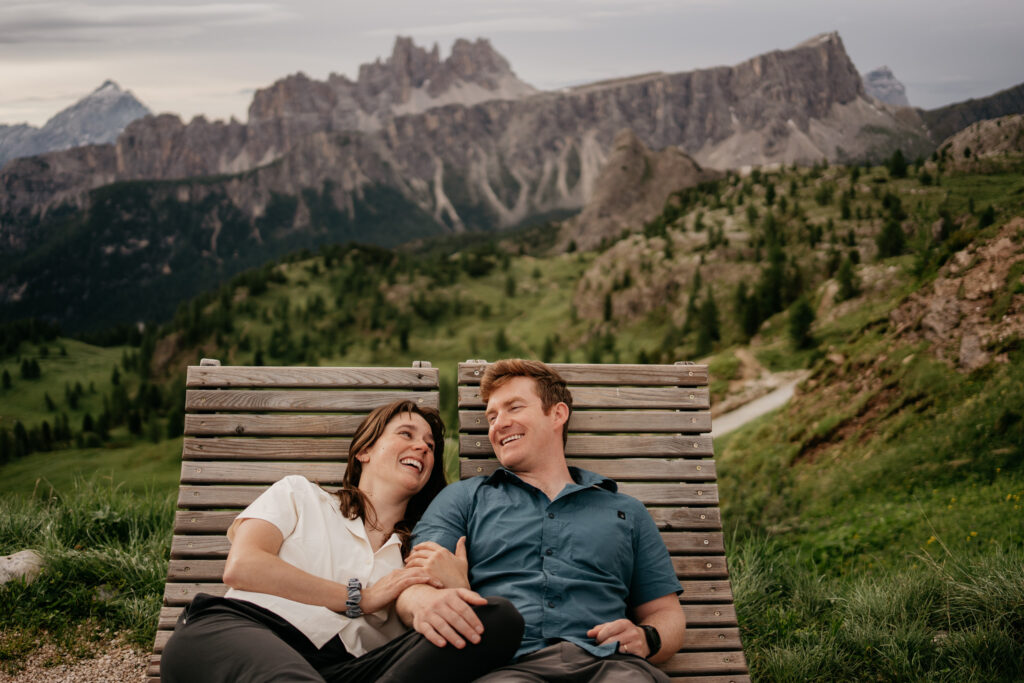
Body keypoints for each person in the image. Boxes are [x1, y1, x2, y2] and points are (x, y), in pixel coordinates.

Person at [161, 399, 523, 683]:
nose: (424, 447)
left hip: (348, 669)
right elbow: (243, 567)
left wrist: (457, 585)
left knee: (499, 620)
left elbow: (446, 621)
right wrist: (360, 599)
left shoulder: (416, 551)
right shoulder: (300, 495)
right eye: (406, 435)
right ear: (363, 450)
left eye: (430, 444)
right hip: (241, 630)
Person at [397, 359, 686, 682]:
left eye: (514, 408)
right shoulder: (464, 499)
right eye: (492, 417)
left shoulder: (625, 511)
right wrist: (425, 601)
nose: (498, 424)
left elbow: (666, 613)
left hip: (611, 664)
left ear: (557, 414)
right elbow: (412, 586)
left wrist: (648, 638)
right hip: (506, 666)